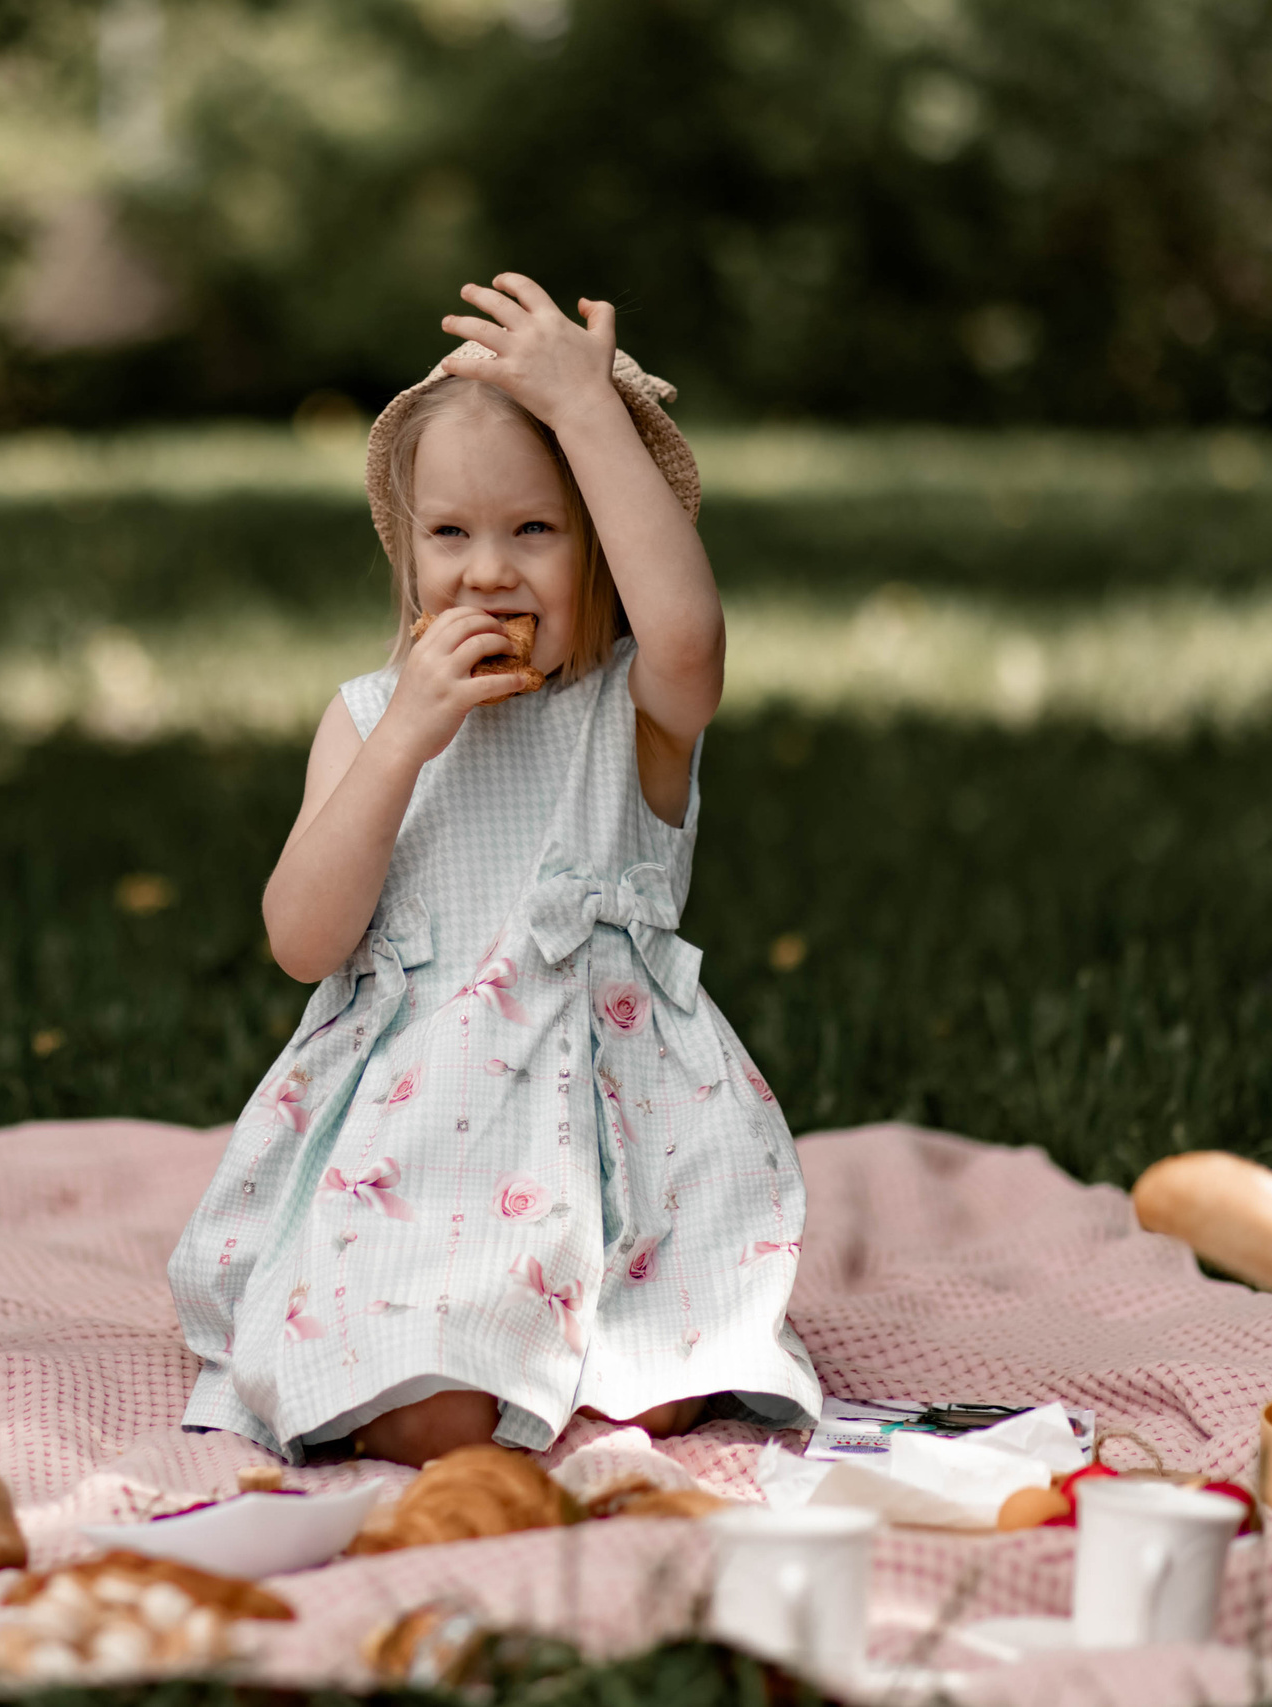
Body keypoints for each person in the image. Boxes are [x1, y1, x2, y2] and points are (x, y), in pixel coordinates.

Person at [167, 275, 821, 1466]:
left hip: (618, 1139)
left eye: (536, 531)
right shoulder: (369, 718)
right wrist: (405, 740)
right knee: (428, 1411)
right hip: (421, 1148)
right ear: (404, 553)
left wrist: (589, 415)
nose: (487, 573)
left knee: (653, 1391)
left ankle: (601, 1367)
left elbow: (691, 635)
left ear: (602, 553)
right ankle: (450, 1364)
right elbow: (303, 940)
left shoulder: (633, 708)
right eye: (449, 536)